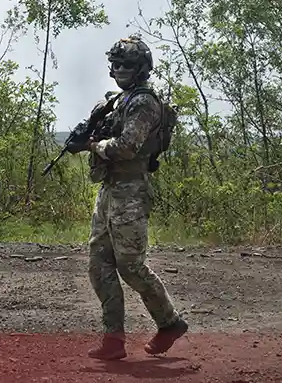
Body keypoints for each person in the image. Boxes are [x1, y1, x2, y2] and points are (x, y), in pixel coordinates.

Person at [82, 36, 188, 360]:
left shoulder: (143, 103)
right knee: (98, 263)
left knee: (130, 267)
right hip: (110, 190)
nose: (120, 69)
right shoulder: (119, 101)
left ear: (141, 68)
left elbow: (126, 146)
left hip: (131, 193)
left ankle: (169, 322)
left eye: (128, 64)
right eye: (116, 64)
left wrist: (94, 146)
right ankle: (113, 340)